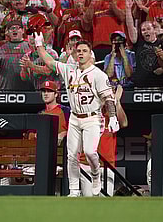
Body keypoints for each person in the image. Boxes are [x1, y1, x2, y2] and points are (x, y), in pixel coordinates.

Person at [33, 33, 119, 197]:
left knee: (90, 152)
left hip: (93, 117)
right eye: (78, 50)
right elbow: (50, 62)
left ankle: (95, 176)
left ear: (90, 54)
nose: (80, 53)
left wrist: (113, 117)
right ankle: (74, 190)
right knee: (72, 155)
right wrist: (39, 45)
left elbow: (108, 98)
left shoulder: (98, 74)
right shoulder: (69, 70)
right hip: (74, 117)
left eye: (84, 51)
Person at [80, 84, 128, 197]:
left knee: (106, 201)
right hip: (87, 164)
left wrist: (117, 102)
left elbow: (124, 123)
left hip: (107, 164)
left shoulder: (111, 115)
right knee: (88, 201)